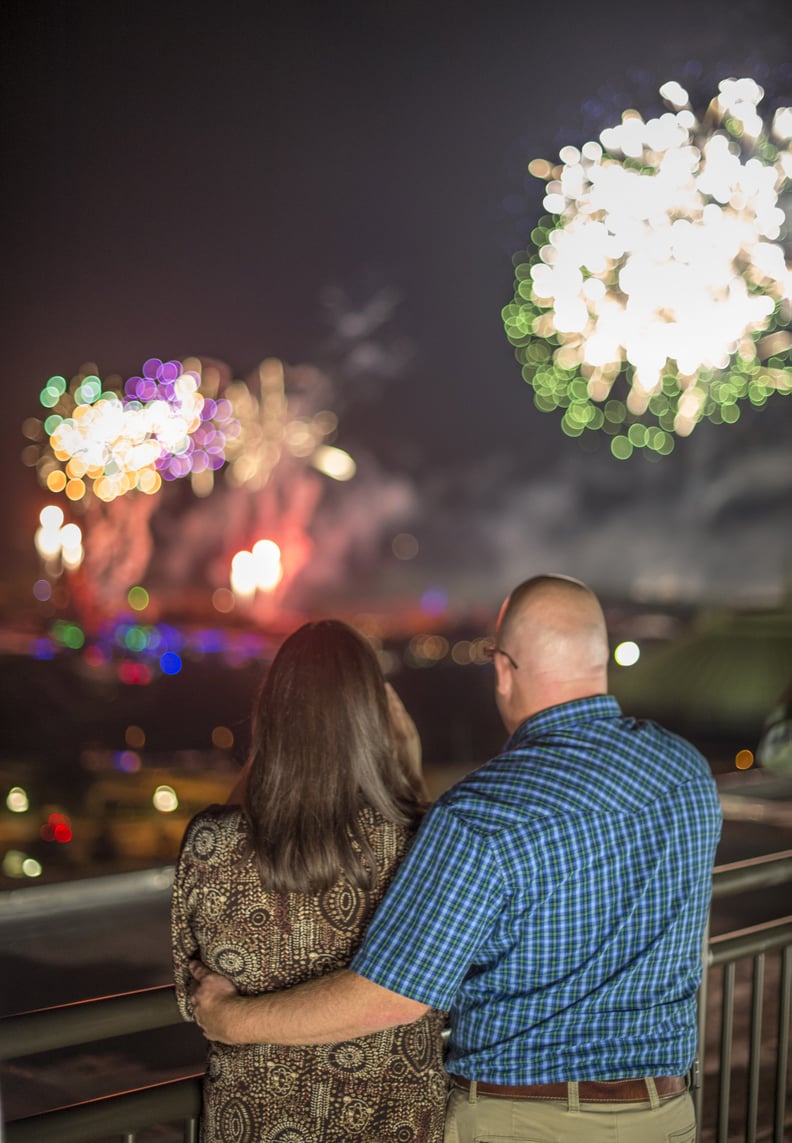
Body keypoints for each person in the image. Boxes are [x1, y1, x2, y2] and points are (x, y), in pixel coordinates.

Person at [190, 575, 723, 1143]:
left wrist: (231, 1018)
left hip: (520, 1124)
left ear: (502, 668)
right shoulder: (685, 774)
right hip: (665, 1115)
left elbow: (388, 999)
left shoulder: (481, 813)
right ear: (599, 657)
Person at [172, 619, 448, 1142]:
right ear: (373, 721)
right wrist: (409, 775)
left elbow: (194, 994)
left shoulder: (211, 842)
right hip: (394, 1127)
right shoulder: (427, 841)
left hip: (252, 1125)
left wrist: (277, 753)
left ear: (271, 713)